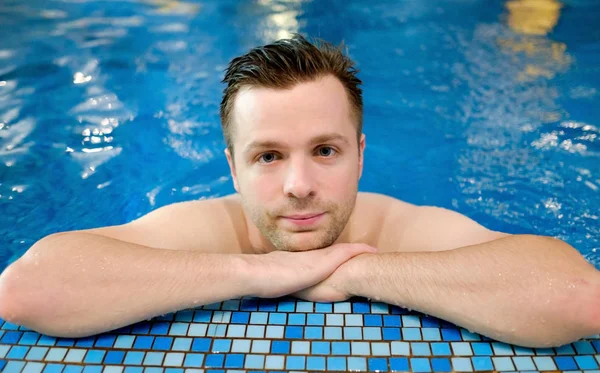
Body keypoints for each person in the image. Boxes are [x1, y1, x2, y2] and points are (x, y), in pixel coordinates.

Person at [0, 34, 597, 348]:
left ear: (361, 155)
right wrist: (258, 273)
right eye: (268, 156)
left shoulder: (399, 229)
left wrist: (357, 273)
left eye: (325, 150)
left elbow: (578, 298)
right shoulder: (214, 228)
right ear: (232, 169)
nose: (299, 187)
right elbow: (26, 289)